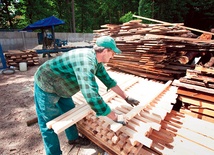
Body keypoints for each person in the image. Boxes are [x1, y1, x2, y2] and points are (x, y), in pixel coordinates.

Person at [34, 36, 140, 155]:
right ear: (105, 51)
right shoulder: (86, 62)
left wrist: (126, 97)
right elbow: (92, 97)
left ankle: (73, 138)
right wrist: (115, 117)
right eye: (113, 53)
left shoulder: (96, 60)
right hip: (47, 83)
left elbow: (108, 80)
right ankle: (54, 153)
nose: (113, 56)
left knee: (69, 111)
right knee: (48, 123)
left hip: (63, 85)